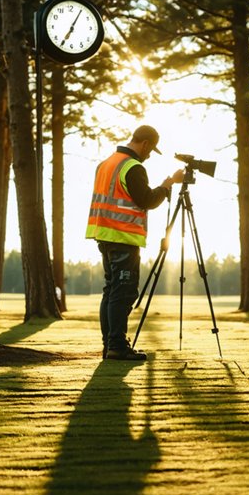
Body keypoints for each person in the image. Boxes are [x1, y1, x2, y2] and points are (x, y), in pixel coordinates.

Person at [86, 125, 185, 360]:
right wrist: (167, 185)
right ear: (145, 145)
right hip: (123, 237)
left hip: (105, 234)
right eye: (150, 151)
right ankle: (117, 346)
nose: (149, 156)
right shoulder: (133, 167)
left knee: (111, 291)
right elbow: (147, 200)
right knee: (122, 292)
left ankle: (110, 344)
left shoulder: (107, 163)